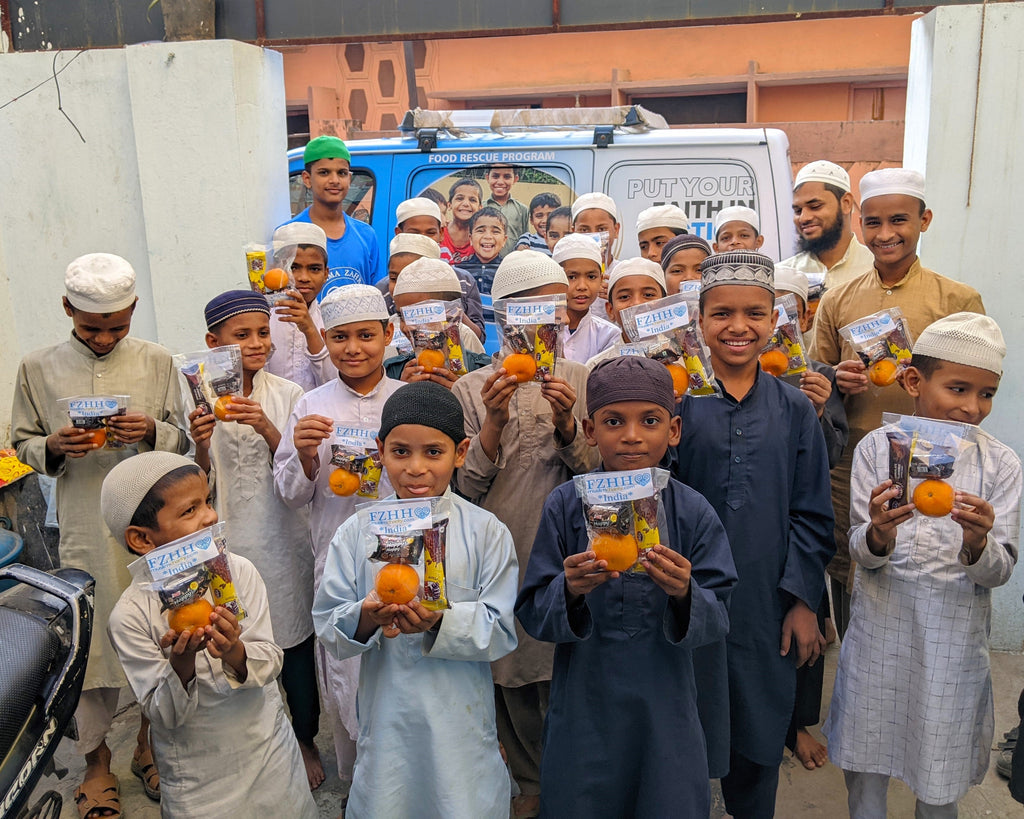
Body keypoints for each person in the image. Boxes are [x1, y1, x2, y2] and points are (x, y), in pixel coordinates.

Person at [516, 355, 738, 817]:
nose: (632, 435)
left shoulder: (692, 511)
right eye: (614, 421)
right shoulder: (566, 504)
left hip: (666, 708)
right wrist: (571, 589)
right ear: (589, 430)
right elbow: (534, 609)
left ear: (673, 430)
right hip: (585, 705)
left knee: (667, 800)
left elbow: (718, 615)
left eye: (650, 421)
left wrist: (684, 592)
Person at [11, 253, 189, 817]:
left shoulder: (158, 360)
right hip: (86, 524)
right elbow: (20, 445)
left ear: (134, 310)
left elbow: (181, 441)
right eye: (92, 328)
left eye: (119, 325)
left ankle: (147, 745)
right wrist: (54, 447)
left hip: (151, 523)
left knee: (156, 629)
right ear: (67, 310)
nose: (107, 337)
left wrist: (152, 430)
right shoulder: (36, 367)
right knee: (88, 647)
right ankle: (95, 765)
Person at [825, 312, 1019, 817]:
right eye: (958, 388)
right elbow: (860, 554)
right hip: (879, 637)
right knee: (866, 774)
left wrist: (977, 543)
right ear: (913, 381)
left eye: (986, 393)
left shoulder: (1000, 464)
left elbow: (999, 572)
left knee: (939, 778)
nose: (972, 407)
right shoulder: (876, 450)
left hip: (952, 646)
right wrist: (879, 532)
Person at [673, 251, 835, 817]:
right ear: (700, 319)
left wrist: (803, 602)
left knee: (758, 734)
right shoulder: (675, 404)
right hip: (688, 598)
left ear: (774, 321)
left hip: (767, 601)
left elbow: (813, 515)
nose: (738, 327)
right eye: (722, 313)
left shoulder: (794, 409)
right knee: (686, 734)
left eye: (754, 314)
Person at [312, 381, 519, 817]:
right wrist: (366, 617)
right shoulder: (356, 531)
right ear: (380, 450)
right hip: (389, 716)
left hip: (460, 719)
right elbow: (329, 624)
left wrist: (439, 622)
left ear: (460, 453)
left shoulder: (486, 531)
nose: (416, 468)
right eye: (401, 452)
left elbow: (500, 630)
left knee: (461, 802)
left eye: (433, 452)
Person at [451, 250, 600, 817]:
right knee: (510, 678)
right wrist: (492, 421)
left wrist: (567, 427)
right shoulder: (472, 389)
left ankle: (575, 782)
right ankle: (531, 787)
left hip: (570, 556)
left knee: (571, 671)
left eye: (549, 312)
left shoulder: (585, 380)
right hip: (502, 555)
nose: (539, 326)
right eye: (523, 314)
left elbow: (601, 480)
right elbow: (462, 489)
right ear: (502, 320)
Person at [808, 167, 985, 640]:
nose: (886, 234)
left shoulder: (957, 299)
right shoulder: (838, 299)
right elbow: (813, 376)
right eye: (874, 223)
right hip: (853, 460)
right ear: (859, 226)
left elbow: (975, 380)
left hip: (938, 457)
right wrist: (836, 378)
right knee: (851, 562)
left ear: (924, 220)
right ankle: (857, 666)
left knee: (932, 557)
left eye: (899, 220)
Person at [102, 452, 318, 818]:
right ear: (141, 539)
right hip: (200, 782)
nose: (211, 516)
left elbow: (270, 657)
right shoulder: (132, 615)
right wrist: (181, 663)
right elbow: (162, 714)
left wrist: (235, 651)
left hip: (269, 756)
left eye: (208, 501)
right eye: (190, 511)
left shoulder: (237, 572)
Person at [187, 291, 322, 789]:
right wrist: (201, 440)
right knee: (234, 640)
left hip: (283, 541)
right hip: (224, 541)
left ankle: (305, 736)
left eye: (262, 332)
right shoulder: (196, 396)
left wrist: (265, 425)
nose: (255, 343)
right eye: (241, 335)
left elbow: (298, 476)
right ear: (212, 342)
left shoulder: (288, 394)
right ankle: (253, 744)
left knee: (295, 643)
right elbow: (193, 484)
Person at [273, 283, 403, 785]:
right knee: (345, 669)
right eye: (341, 337)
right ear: (324, 339)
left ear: (388, 335)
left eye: (367, 335)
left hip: (402, 552)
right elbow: (289, 494)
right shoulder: (310, 405)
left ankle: (402, 783)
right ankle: (358, 785)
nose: (354, 348)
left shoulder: (406, 399)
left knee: (401, 664)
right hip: (336, 557)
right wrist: (306, 456)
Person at [772, 265, 849, 771]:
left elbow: (833, 451)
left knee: (804, 623)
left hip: (799, 517)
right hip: (750, 519)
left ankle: (796, 724)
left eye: (786, 311)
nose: (775, 323)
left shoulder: (816, 374)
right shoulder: (714, 376)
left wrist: (819, 415)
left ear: (803, 317)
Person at [287, 135, 380, 294]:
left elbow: (376, 295)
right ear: (307, 179)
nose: (335, 180)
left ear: (349, 179)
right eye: (324, 173)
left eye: (342, 173)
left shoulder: (366, 235)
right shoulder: (289, 234)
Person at [385, 257, 491, 384]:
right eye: (401, 317)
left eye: (417, 316)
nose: (407, 328)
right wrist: (401, 390)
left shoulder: (482, 370)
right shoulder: (393, 371)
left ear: (452, 314)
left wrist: (462, 394)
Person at [393, 197, 486, 339]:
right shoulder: (390, 285)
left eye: (430, 232)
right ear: (399, 233)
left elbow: (478, 337)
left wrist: (452, 310)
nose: (423, 239)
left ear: (441, 233)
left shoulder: (463, 281)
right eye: (414, 233)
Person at [779, 160, 875, 290]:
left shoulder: (877, 269)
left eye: (815, 206)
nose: (804, 218)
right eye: (798, 211)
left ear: (846, 203)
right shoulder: (781, 276)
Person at [265, 221, 336, 392]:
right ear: (277, 269)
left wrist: (310, 329)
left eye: (314, 269)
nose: (304, 277)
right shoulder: (263, 318)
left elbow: (335, 383)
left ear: (326, 273)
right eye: (293, 267)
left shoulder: (333, 319)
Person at [584, 257, 668, 370]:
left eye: (648, 295)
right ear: (610, 310)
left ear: (665, 305)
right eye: (624, 297)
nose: (636, 304)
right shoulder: (598, 367)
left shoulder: (684, 359)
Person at [551, 234, 619, 363]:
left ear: (601, 278)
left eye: (591, 277)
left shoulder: (609, 335)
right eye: (571, 277)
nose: (582, 286)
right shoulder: (540, 330)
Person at [572, 192, 622, 319]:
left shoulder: (624, 273)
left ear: (616, 230)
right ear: (573, 232)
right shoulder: (562, 273)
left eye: (601, 229)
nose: (594, 237)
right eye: (584, 230)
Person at [484, 163, 530, 255]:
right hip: (486, 264)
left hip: (513, 263)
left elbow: (525, 238)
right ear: (487, 178)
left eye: (507, 176)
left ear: (515, 179)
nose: (500, 181)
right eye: (495, 176)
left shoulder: (522, 209)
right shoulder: (480, 207)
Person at [463, 206, 509, 295]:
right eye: (480, 231)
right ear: (471, 239)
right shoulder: (461, 272)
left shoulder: (510, 271)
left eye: (495, 231)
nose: (488, 236)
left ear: (504, 240)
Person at [441, 178, 483, 265]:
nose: (466, 204)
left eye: (472, 200)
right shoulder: (438, 233)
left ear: (480, 208)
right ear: (449, 205)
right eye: (460, 198)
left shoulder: (482, 238)